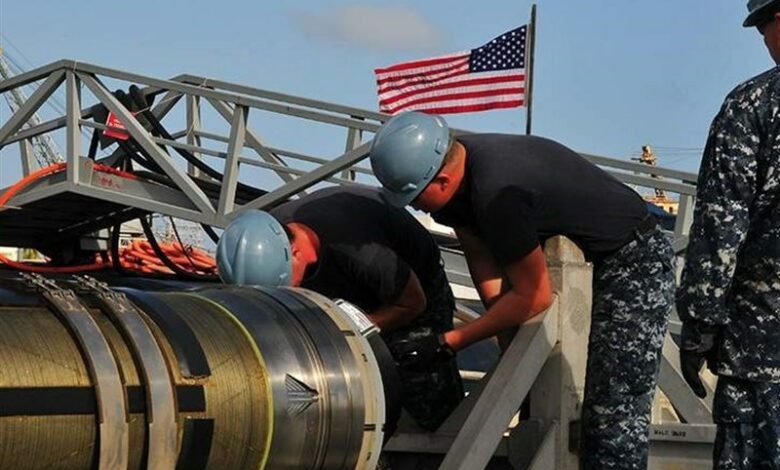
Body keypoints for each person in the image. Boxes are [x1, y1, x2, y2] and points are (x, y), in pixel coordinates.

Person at [368, 111, 675, 469]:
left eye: (415, 197)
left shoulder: (498, 194)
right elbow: (480, 257)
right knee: (548, 401)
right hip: (596, 255)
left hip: (634, 258)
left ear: (442, 181)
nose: (416, 207)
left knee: (613, 412)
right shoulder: (458, 174)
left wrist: (449, 343)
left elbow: (534, 297)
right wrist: (505, 335)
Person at [216, 185, 463, 431]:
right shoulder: (266, 240)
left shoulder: (360, 249)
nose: (287, 291)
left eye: (285, 283)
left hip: (413, 294)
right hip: (349, 290)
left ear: (298, 253)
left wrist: (352, 328)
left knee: (423, 382)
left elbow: (412, 303)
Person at [677, 1, 780, 468]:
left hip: (762, 353)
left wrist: (698, 325)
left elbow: (721, 224)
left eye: (762, 27)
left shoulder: (754, 104)